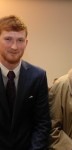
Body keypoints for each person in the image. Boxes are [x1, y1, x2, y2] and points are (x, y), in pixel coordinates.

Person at [0, 15, 51, 150]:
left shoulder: (38, 76)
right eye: (8, 39)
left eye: (20, 40)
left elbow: (42, 123)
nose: (14, 46)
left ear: (26, 43)